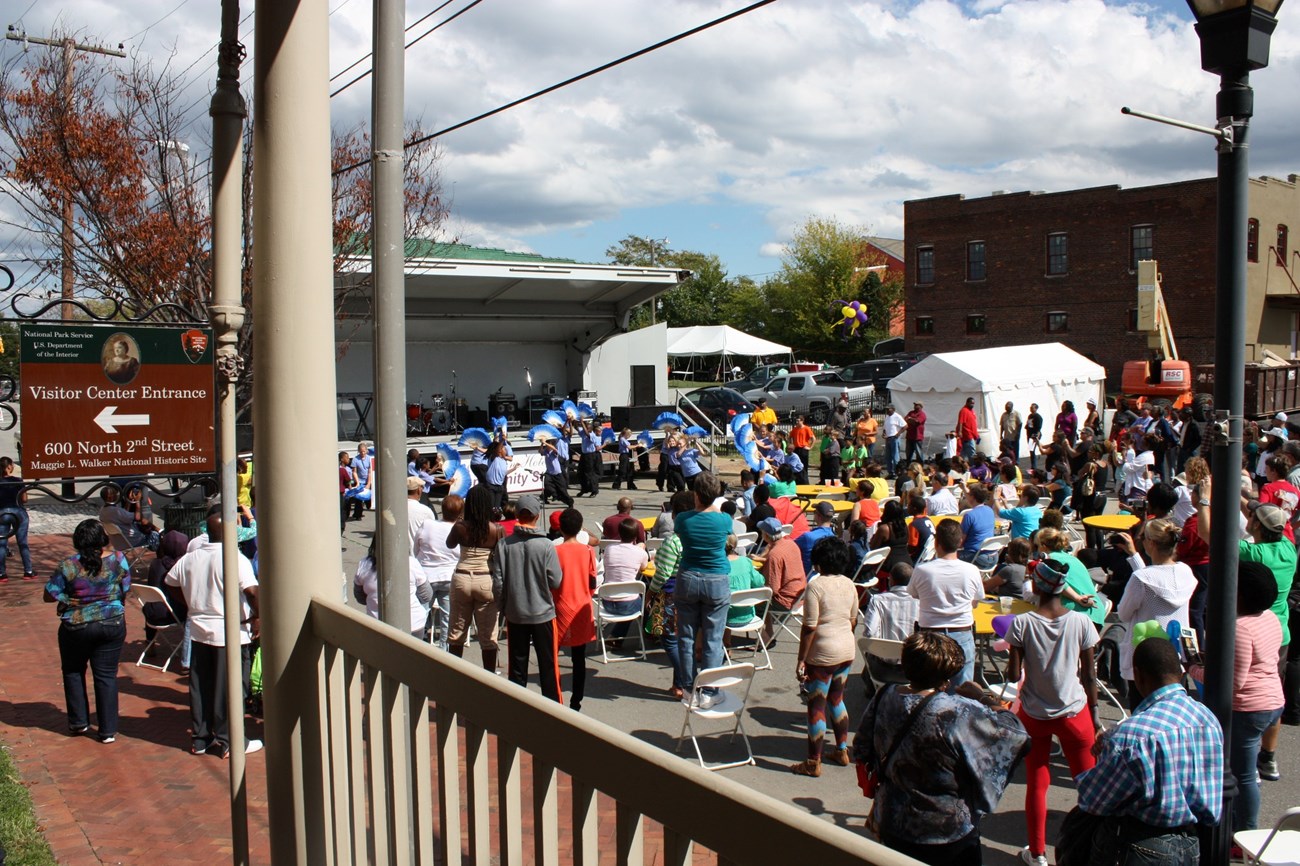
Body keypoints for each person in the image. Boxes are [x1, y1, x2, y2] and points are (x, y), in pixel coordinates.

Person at [852, 632, 1030, 866]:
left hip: (892, 818)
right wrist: (983, 698)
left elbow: (861, 748)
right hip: (946, 829)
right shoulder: (955, 711)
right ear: (945, 678)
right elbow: (1017, 735)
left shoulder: (884, 695)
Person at [1075, 638, 1223, 866]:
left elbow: (1093, 800)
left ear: (1139, 676)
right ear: (1180, 672)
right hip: (1191, 845)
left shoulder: (1131, 736)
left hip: (1140, 846)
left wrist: (1107, 755)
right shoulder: (1207, 719)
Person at [1004, 557, 1101, 866]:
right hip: (1075, 712)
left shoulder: (1022, 624)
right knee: (1088, 785)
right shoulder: (1081, 622)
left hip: (1035, 714)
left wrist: (1014, 650)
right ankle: (1092, 847)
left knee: (1037, 782)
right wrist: (1096, 717)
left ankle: (1037, 854)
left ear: (1036, 586)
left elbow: (1011, 675)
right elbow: (1089, 677)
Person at [165, 507, 262, 757]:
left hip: (200, 631)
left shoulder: (191, 558)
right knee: (231, 687)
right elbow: (252, 592)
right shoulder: (235, 559)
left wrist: (190, 602)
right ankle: (231, 740)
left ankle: (201, 738)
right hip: (229, 632)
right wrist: (258, 616)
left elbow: (170, 582)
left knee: (201, 686)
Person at [1210, 561, 1286, 832]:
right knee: (1247, 773)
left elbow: (1234, 683)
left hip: (1249, 710)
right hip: (1273, 701)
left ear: (1238, 594)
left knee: (1244, 776)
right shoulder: (1271, 617)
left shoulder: (1239, 628)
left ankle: (1246, 833)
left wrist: (1194, 668)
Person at [44, 520, 131, 743]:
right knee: (106, 676)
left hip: (76, 625)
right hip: (111, 623)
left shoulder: (69, 565)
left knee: (73, 671)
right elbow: (126, 589)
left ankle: (79, 722)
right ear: (102, 539)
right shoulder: (118, 560)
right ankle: (108, 731)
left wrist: (68, 598)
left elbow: (49, 594)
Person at [1237, 502, 1296, 783]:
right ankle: (1269, 757)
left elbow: (1209, 533)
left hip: (1252, 631)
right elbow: (1269, 519)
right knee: (1274, 692)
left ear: (1257, 525)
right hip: (1280, 633)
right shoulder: (1288, 548)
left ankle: (1245, 760)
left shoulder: (1252, 553)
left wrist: (1206, 499)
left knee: (1242, 692)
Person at [791, 537, 859, 776]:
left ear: (819, 562)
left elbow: (810, 626)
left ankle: (813, 761)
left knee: (816, 705)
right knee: (837, 699)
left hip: (822, 652)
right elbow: (853, 620)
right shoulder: (850, 583)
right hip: (846, 649)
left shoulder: (816, 586)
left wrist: (802, 658)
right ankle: (842, 750)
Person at [1111, 519, 1197, 704]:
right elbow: (1157, 579)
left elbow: (1124, 613)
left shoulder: (1141, 579)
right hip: (1176, 655)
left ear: (1151, 543)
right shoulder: (1186, 572)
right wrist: (1134, 556)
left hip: (1145, 657)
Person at [492, 494, 563, 702]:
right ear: (536, 515)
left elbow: (498, 582)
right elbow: (556, 580)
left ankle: (516, 710)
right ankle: (554, 714)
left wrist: (503, 607)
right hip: (543, 614)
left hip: (516, 613)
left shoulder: (504, 545)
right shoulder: (546, 545)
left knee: (517, 668)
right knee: (548, 666)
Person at [672, 473, 734, 706]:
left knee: (686, 637)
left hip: (688, 577)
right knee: (713, 637)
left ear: (695, 494)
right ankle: (709, 690)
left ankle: (688, 688)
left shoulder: (683, 519)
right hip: (716, 579)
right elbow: (725, 528)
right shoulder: (724, 519)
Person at [908, 521, 984, 687]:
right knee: (962, 694)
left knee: (929, 690)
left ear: (936, 543)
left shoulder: (922, 570)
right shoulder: (972, 570)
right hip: (962, 634)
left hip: (930, 638)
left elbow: (914, 594)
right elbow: (975, 602)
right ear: (960, 542)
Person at [646, 490, 699, 698]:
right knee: (684, 637)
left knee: (669, 638)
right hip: (693, 590)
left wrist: (651, 593)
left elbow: (663, 573)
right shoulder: (697, 537)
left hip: (671, 593)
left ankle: (687, 679)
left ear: (675, 514)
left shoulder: (673, 542)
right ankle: (679, 683)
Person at [446, 485, 505, 671]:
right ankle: (488, 676)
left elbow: (449, 544)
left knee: (457, 632)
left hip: (462, 577)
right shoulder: (496, 529)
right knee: (488, 636)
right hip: (485, 579)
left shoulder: (461, 527)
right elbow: (501, 554)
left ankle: (455, 675)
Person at [552, 508, 598, 710]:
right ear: (580, 528)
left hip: (560, 604)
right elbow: (592, 581)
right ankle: (576, 701)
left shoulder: (555, 551)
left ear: (560, 529)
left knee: (552, 655)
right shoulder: (588, 550)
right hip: (582, 606)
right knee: (579, 658)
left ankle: (556, 697)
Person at [353, 539, 430, 639]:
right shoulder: (411, 562)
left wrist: (375, 600)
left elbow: (360, 597)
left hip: (376, 624)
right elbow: (426, 595)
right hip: (412, 623)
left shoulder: (364, 564)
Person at [415, 493, 461, 650]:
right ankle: (443, 652)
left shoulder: (428, 525)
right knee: (448, 617)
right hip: (449, 576)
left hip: (427, 575)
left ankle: (417, 646)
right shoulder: (459, 530)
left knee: (421, 612)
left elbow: (416, 547)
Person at [141, 529, 191, 668]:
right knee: (193, 611)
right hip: (170, 614)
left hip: (150, 613)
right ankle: (188, 657)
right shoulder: (179, 567)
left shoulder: (155, 563)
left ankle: (149, 641)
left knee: (154, 602)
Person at [757, 517, 807, 644]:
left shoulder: (775, 555)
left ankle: (766, 636)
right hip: (799, 594)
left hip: (785, 601)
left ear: (765, 535)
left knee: (753, 602)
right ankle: (768, 634)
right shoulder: (791, 544)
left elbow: (772, 589)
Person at [599, 517, 648, 643]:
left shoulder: (609, 549)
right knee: (645, 600)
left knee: (631, 597)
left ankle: (617, 638)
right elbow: (643, 568)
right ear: (636, 535)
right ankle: (649, 632)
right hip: (627, 604)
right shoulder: (640, 552)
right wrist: (640, 548)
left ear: (620, 533)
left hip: (607, 602)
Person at [0, 456, 34, 580]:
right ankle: (28, 571)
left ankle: (2, 573)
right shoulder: (18, 481)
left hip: (2, 513)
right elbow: (24, 499)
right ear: (10, 467)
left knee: (2, 543)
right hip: (18, 511)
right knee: (22, 542)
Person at [99, 484, 161, 551]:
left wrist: (129, 501)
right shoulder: (115, 511)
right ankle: (159, 532)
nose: (117, 495)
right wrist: (137, 500)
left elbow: (124, 514)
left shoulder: (102, 511)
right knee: (157, 536)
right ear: (110, 497)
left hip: (119, 544)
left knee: (143, 525)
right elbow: (138, 517)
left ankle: (157, 530)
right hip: (134, 541)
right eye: (115, 494)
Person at [957, 485, 996, 568]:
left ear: (972, 497)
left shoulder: (969, 515)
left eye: (969, 494)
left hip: (976, 557)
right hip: (993, 557)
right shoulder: (990, 510)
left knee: (946, 557)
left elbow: (960, 542)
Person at [795, 500, 838, 573]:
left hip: (806, 575)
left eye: (814, 512)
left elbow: (789, 546)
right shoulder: (834, 538)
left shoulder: (808, 537)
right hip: (824, 574)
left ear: (819, 516)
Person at [406, 475, 436, 546]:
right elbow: (432, 535)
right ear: (419, 490)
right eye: (422, 487)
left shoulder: (396, 508)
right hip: (417, 554)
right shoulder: (426, 511)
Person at [576, 419, 602, 497]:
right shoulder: (583, 433)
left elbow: (587, 433)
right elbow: (577, 427)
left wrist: (582, 423)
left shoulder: (592, 435)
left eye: (587, 428)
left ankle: (594, 490)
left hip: (590, 455)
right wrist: (572, 420)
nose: (584, 429)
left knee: (590, 474)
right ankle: (584, 489)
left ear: (590, 429)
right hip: (584, 455)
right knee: (581, 472)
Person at [349, 442, 374, 520]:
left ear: (366, 451)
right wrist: (357, 482)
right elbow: (354, 472)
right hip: (359, 480)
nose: (362, 453)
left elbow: (370, 471)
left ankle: (369, 506)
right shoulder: (355, 459)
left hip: (368, 480)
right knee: (358, 499)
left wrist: (369, 483)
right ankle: (358, 515)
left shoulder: (369, 458)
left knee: (369, 496)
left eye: (364, 451)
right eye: (361, 451)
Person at [882, 405, 906, 476]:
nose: (887, 410)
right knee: (888, 457)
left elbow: (905, 426)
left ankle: (897, 472)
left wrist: (898, 434)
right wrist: (883, 433)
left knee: (895, 457)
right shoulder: (887, 417)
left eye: (888, 409)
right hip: (888, 438)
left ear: (893, 409)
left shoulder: (897, 416)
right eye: (886, 409)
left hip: (894, 438)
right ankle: (890, 472)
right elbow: (885, 427)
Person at [1025, 403, 1043, 471]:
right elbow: (1028, 425)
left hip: (1034, 435)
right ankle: (1033, 466)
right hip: (1029, 435)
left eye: (1032, 407)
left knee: (1032, 450)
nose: (1031, 408)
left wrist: (1035, 436)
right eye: (1030, 407)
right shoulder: (1030, 416)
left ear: (1036, 409)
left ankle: (1034, 466)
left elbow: (1038, 428)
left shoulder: (1038, 417)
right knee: (1031, 450)